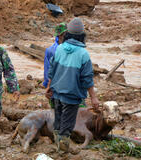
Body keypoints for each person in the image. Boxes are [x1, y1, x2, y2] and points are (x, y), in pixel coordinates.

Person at [45, 17, 99, 153]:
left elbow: (52, 71)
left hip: (56, 93)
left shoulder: (60, 48)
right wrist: (93, 97)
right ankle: (63, 153)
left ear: (68, 33)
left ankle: (59, 147)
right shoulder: (83, 54)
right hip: (71, 96)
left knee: (58, 122)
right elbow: (87, 78)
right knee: (67, 125)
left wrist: (48, 87)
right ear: (82, 36)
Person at [43, 22, 67, 88]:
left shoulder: (50, 50)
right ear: (60, 35)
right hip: (56, 85)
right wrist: (48, 85)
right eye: (66, 34)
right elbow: (47, 70)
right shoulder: (51, 51)